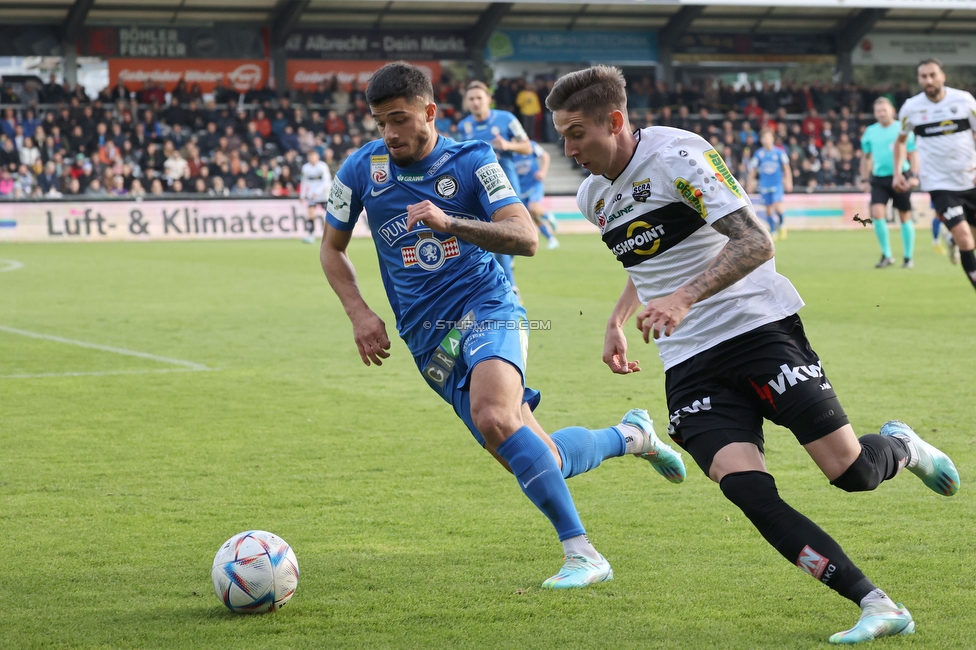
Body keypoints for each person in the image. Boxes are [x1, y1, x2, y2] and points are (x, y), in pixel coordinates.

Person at [548, 65, 959, 644]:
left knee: (852, 474)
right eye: (561, 134)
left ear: (614, 121)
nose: (567, 149)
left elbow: (754, 242)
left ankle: (903, 446)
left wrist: (684, 298)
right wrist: (617, 320)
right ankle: (875, 602)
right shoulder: (595, 197)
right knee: (744, 487)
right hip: (689, 359)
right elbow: (648, 264)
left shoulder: (679, 158)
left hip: (757, 329)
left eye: (575, 133)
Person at [320, 62, 686, 590]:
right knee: (542, 459)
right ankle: (630, 436)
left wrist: (451, 224)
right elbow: (331, 249)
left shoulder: (472, 160)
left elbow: (525, 235)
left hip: (486, 304)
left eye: (399, 119)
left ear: (429, 111)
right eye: (380, 122)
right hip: (428, 340)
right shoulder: (360, 170)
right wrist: (358, 311)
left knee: (493, 414)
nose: (389, 133)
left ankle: (583, 553)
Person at [894, 58, 976, 293]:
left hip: (970, 179)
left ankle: (950, 240)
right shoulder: (911, 107)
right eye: (923, 76)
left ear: (942, 76)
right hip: (940, 183)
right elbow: (900, 141)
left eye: (932, 75)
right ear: (919, 80)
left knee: (970, 238)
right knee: (966, 239)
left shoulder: (963, 100)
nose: (928, 80)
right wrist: (898, 171)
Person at [457, 81, 532, 297]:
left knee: (509, 235)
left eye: (479, 98)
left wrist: (508, 146)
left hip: (507, 186)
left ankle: (505, 275)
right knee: (494, 237)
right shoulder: (465, 127)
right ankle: (510, 286)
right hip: (478, 191)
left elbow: (527, 146)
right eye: (471, 99)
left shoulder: (506, 119)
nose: (475, 102)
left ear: (488, 99)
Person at [860, 97, 919, 269]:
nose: (881, 113)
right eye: (878, 111)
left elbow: (913, 153)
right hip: (879, 178)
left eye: (884, 110)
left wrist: (914, 175)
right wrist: (864, 179)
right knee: (877, 214)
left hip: (901, 176)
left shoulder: (902, 129)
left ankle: (908, 257)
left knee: (904, 216)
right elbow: (866, 157)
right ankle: (887, 255)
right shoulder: (870, 131)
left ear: (892, 111)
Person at [513, 140, 559, 249]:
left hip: (534, 184)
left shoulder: (530, 145)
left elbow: (545, 156)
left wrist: (543, 172)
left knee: (533, 207)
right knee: (532, 216)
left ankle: (548, 215)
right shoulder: (510, 151)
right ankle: (551, 239)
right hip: (521, 188)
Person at [747, 129, 792, 240]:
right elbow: (753, 170)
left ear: (773, 139)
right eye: (764, 138)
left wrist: (788, 180)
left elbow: (786, 168)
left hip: (777, 184)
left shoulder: (780, 153)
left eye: (768, 137)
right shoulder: (759, 154)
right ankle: (773, 231)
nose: (766, 140)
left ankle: (781, 224)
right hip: (764, 185)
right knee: (768, 209)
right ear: (761, 140)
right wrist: (749, 184)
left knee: (778, 206)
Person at [299, 148, 332, 245]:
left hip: (324, 194)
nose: (312, 158)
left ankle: (332, 235)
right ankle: (311, 235)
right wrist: (302, 195)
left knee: (330, 215)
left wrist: (317, 192)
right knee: (311, 214)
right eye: (310, 156)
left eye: (313, 156)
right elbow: (304, 182)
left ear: (317, 156)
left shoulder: (322, 166)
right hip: (312, 195)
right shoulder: (305, 168)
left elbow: (326, 181)